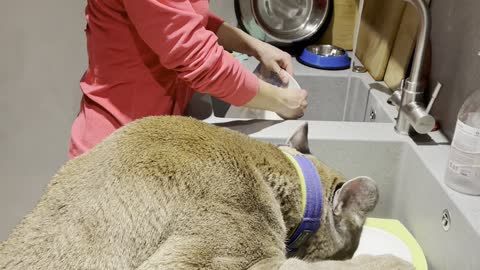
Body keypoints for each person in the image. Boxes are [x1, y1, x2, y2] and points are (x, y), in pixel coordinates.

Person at [69, 0, 308, 159]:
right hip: (116, 150)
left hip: (149, 139)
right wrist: (281, 101)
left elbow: (185, 18)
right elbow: (199, 60)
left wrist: (254, 46)